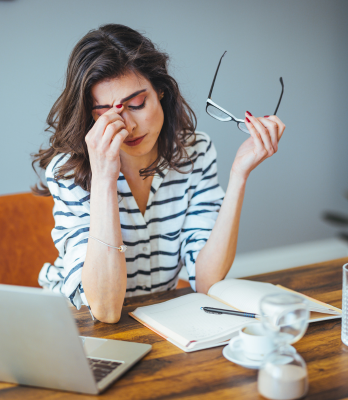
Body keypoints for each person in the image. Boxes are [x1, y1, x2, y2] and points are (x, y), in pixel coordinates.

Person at [32, 24, 285, 323]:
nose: (129, 126)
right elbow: (105, 309)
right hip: (76, 324)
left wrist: (239, 176)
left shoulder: (194, 152)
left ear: (161, 91)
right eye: (106, 114)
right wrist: (103, 180)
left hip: (155, 319)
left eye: (137, 104)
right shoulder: (68, 171)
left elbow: (206, 283)